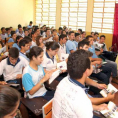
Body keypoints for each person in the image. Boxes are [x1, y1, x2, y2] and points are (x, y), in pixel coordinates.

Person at [52, 50, 109, 118]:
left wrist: (97, 107)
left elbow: (75, 106)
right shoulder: (82, 100)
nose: (92, 65)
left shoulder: (64, 80)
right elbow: (81, 105)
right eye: (91, 63)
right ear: (87, 71)